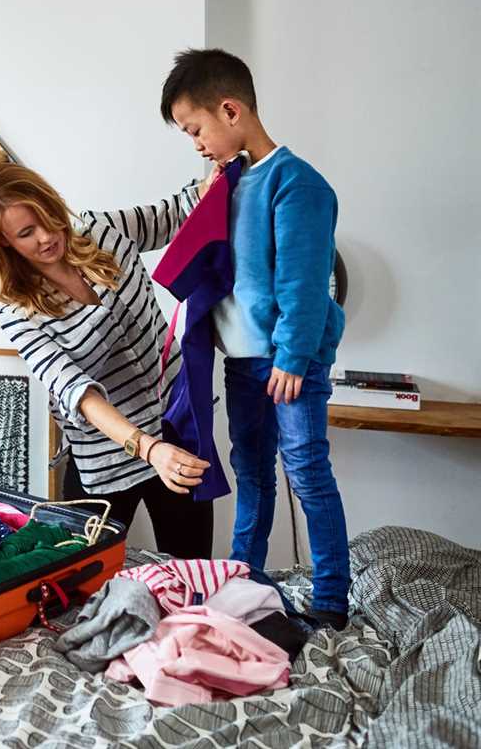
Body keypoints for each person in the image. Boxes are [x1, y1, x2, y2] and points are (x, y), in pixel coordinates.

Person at [161, 48, 349, 627]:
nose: (195, 143)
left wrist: (292, 356)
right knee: (251, 472)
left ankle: (331, 599)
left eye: (196, 129)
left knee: (307, 471)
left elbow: (304, 281)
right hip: (242, 363)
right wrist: (208, 198)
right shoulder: (231, 183)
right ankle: (245, 579)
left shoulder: (297, 184)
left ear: (230, 110)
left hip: (289, 361)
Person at [0, 142, 216, 559]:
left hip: (177, 424)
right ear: (3, 243)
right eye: (26, 233)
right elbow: (76, 390)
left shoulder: (101, 232)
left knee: (191, 569)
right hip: (107, 458)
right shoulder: (16, 311)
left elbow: (176, 212)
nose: (46, 238)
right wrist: (147, 447)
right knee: (84, 581)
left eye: (47, 221)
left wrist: (221, 172)